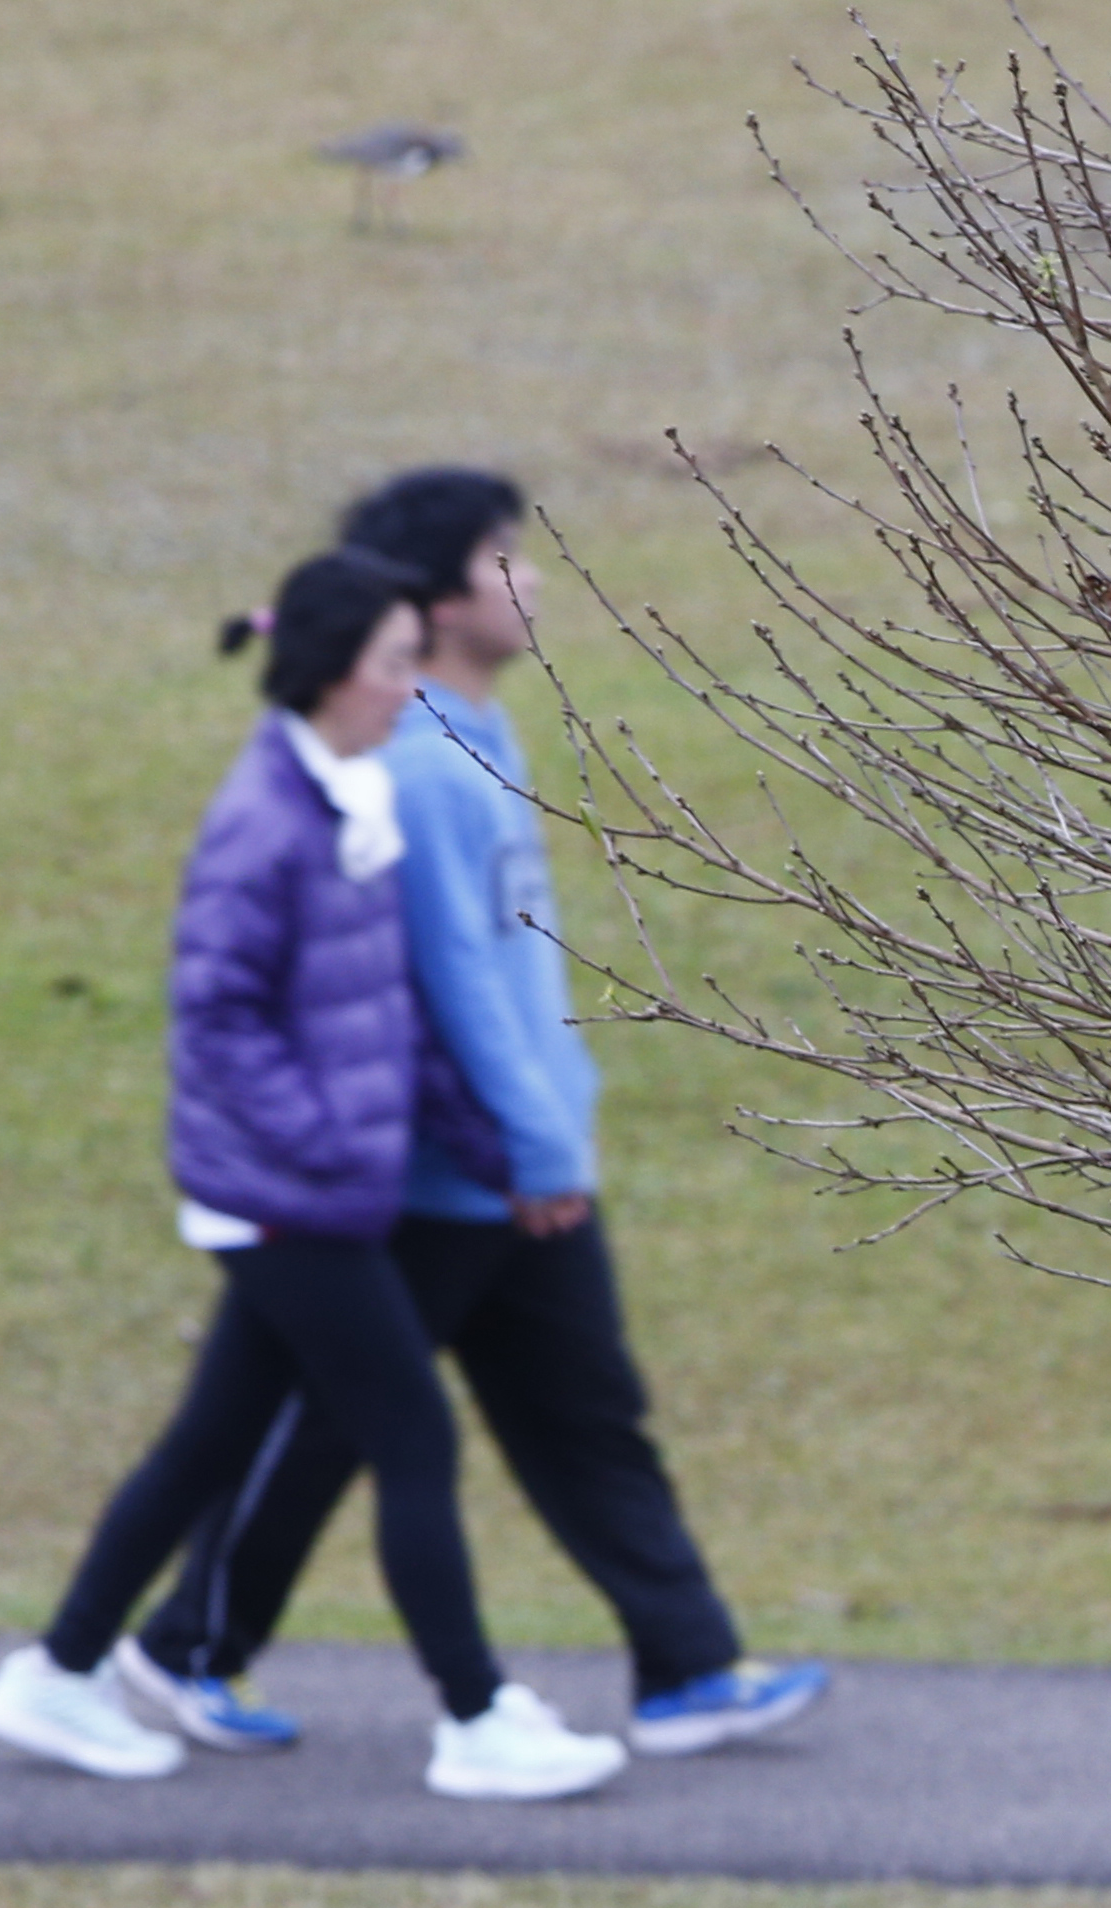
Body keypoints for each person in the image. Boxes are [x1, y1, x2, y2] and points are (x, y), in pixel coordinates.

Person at [109, 466, 825, 1762]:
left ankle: (688, 1667)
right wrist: (532, 1147)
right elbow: (455, 984)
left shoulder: (483, 741)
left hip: (522, 1152)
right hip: (455, 1174)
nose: (531, 577)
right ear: (438, 605)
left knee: (583, 1409)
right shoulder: (429, 766)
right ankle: (182, 1651)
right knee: (334, 1428)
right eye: (505, 559)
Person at [0, 551, 627, 1802]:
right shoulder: (269, 821)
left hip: (317, 1195)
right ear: (334, 673)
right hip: (285, 1205)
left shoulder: (348, 797)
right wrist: (327, 1141)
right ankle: (478, 1719)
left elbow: (384, 1014)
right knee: (412, 1433)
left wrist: (485, 1152)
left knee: (207, 1444)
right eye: (392, 669)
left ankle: (56, 1676)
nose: (407, 690)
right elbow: (214, 1015)